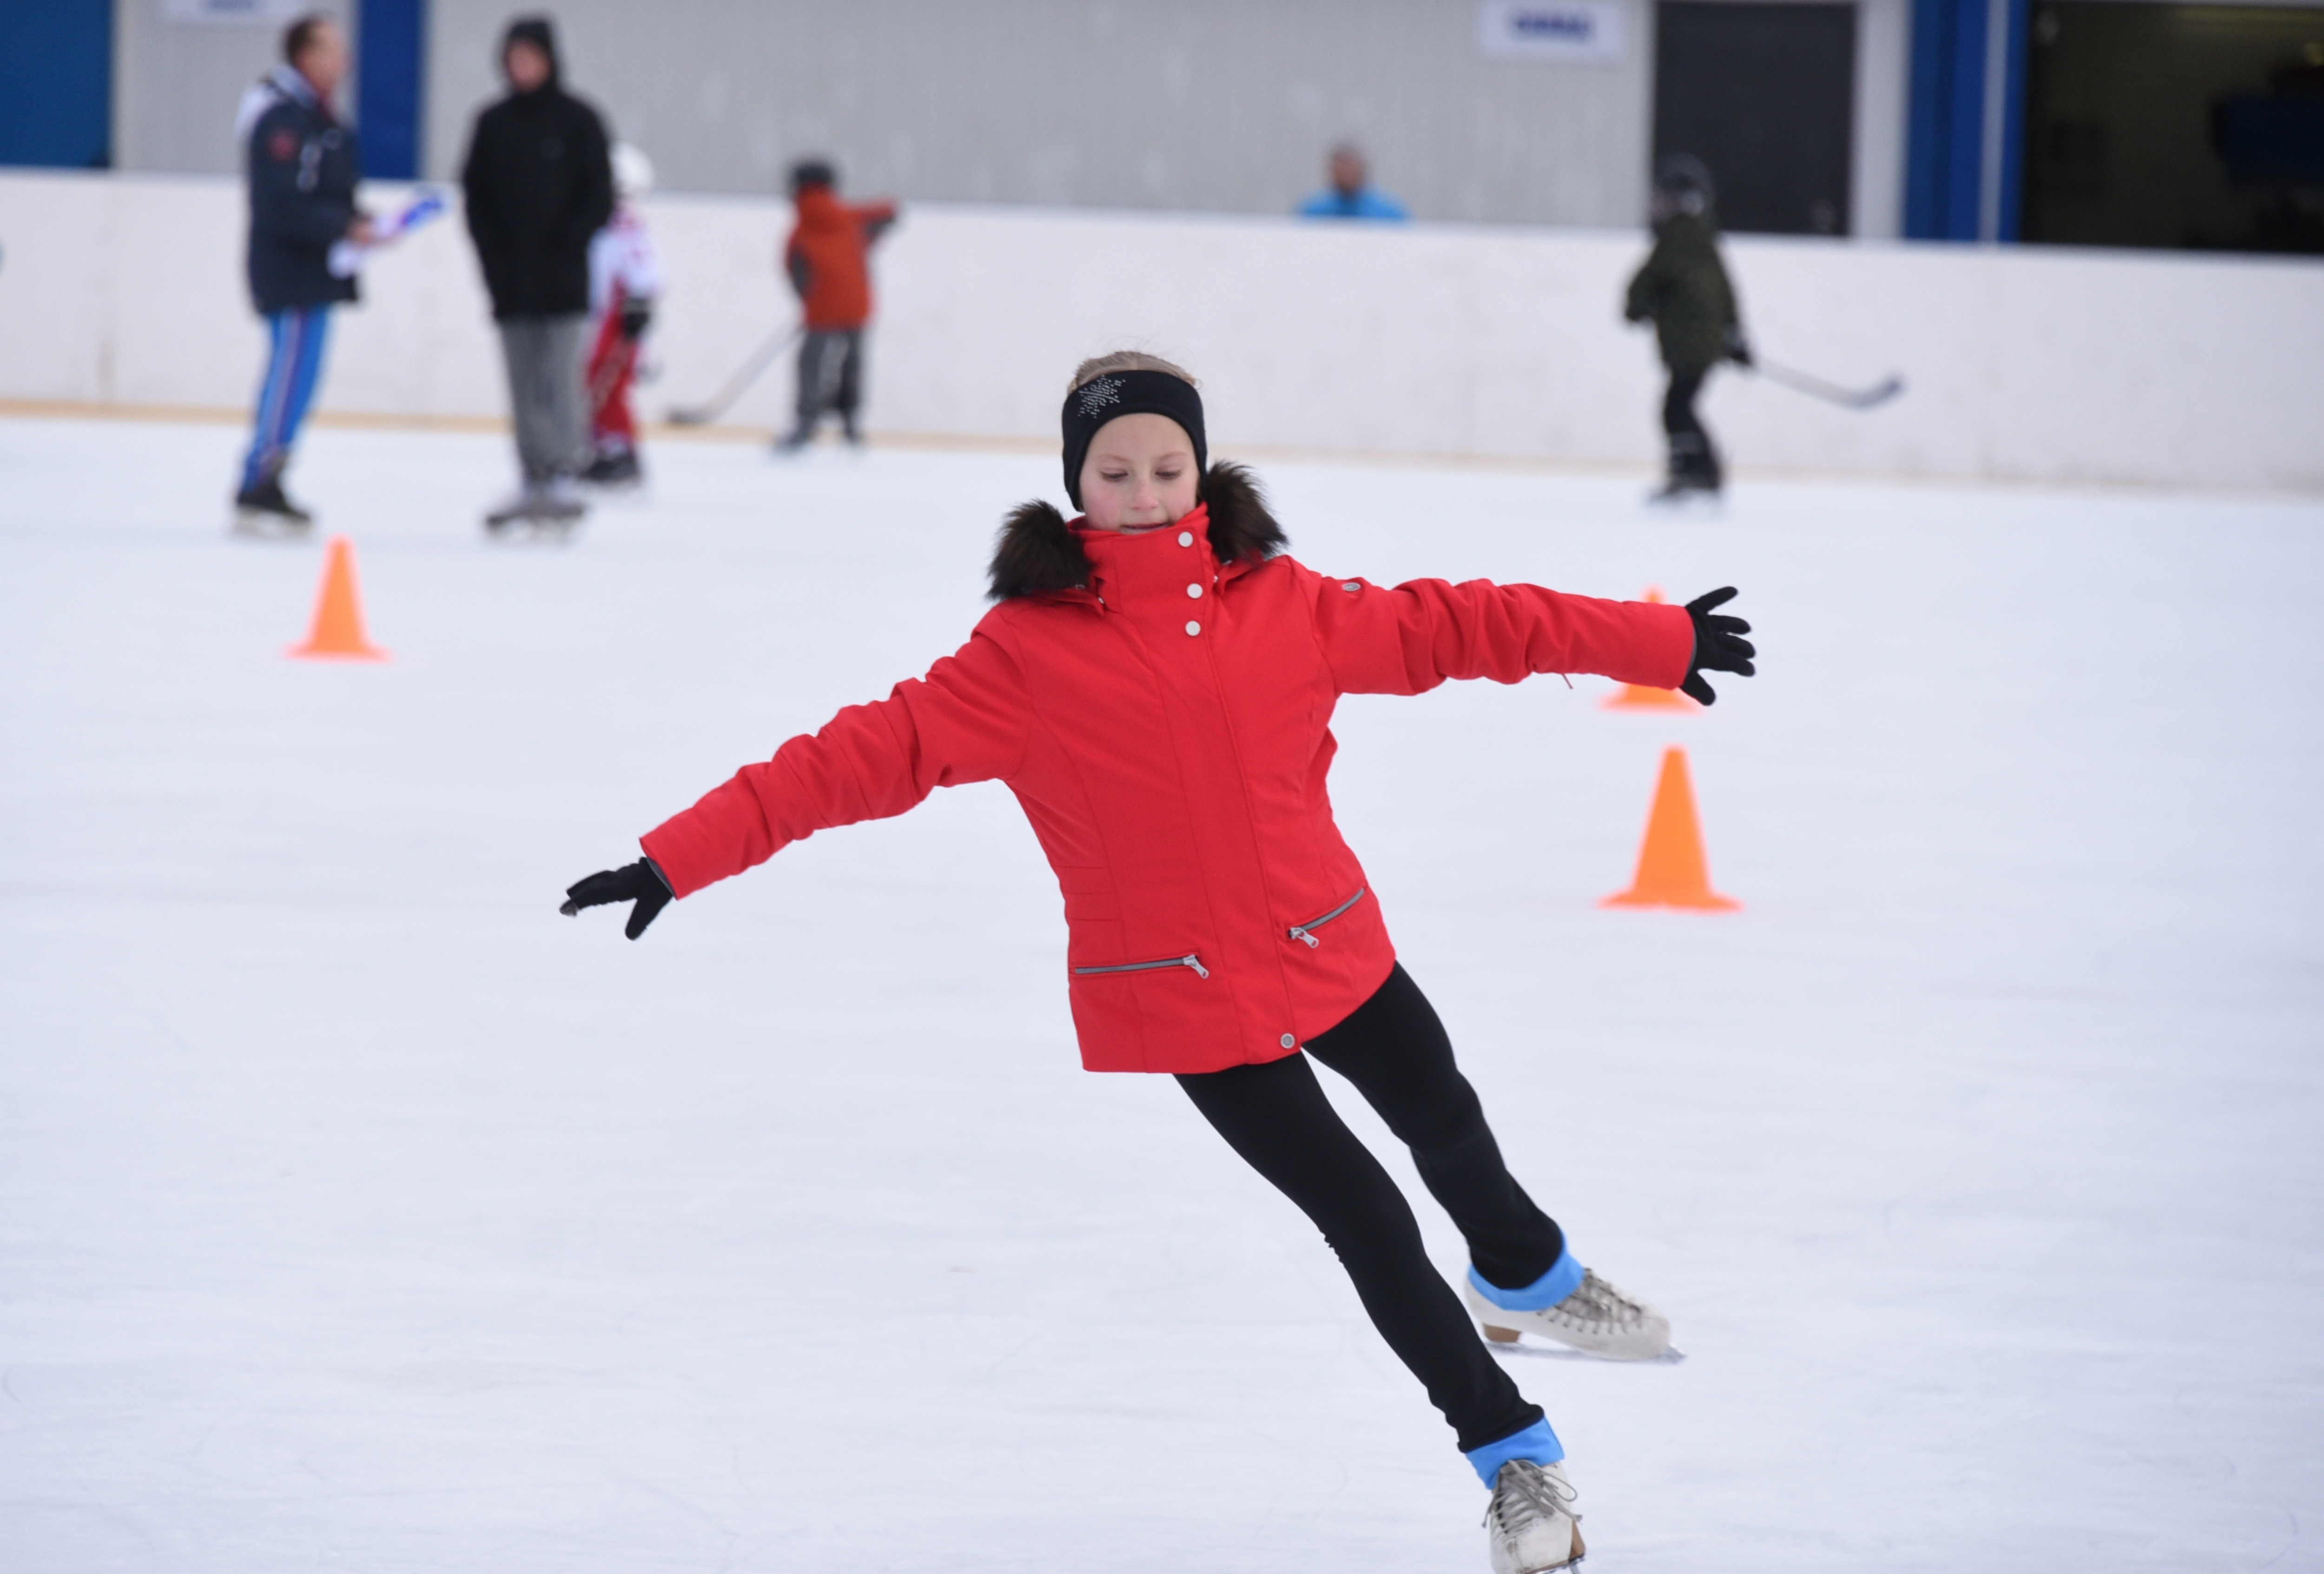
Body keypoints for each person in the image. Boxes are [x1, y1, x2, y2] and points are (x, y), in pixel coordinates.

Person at [560, 352, 1758, 1572]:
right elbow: (849, 759)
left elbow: (1460, 623)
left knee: (1446, 1112)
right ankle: (1513, 1460)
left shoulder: (1285, 602)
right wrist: (676, 859)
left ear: (1201, 473)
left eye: (1166, 467)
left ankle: (1528, 1272)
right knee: (1369, 1218)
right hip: (1186, 998)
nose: (1143, 490)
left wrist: (1654, 640)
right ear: (1076, 484)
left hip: (1326, 940)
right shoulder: (1021, 657)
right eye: (1114, 470)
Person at [460, 15, 614, 530]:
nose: (523, 68)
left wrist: (568, 242)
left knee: (558, 378)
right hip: (510, 283)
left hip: (562, 280)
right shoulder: (492, 123)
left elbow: (599, 194)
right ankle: (531, 471)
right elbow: (476, 199)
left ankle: (563, 469)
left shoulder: (579, 121)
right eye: (515, 59)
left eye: (532, 58)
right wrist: (494, 261)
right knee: (522, 381)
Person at [232, 13, 368, 533]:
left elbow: (329, 193)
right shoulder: (283, 121)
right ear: (307, 57)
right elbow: (281, 205)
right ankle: (258, 479)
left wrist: (358, 225)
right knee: (288, 376)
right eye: (333, 50)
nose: (344, 61)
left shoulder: (323, 122)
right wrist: (342, 226)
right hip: (289, 274)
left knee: (302, 378)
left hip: (316, 273)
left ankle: (273, 472)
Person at [1624, 155, 1751, 501]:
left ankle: (1695, 473)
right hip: (1704, 343)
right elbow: (1726, 294)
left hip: (1689, 345)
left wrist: (1637, 307)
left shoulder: (1675, 241)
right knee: (1681, 404)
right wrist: (1735, 338)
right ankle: (1703, 472)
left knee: (1676, 407)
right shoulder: (1705, 242)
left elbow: (1643, 286)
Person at [774, 159, 897, 451]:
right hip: (858, 304)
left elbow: (794, 269)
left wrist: (808, 300)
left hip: (821, 308)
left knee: (811, 364)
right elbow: (889, 212)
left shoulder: (802, 228)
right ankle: (851, 423)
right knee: (852, 362)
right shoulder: (851, 217)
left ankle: (806, 422)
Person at [581, 141, 663, 487]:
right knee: (591, 383)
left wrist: (639, 303)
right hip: (597, 314)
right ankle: (600, 446)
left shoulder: (623, 222)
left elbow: (645, 269)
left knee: (608, 384)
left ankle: (620, 452)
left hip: (617, 316)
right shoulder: (598, 218)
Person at [1297, 142, 1410, 221]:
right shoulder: (1313, 212)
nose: (1346, 174)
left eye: (1350, 167)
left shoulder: (1389, 214)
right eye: (1341, 168)